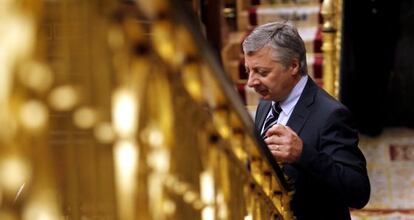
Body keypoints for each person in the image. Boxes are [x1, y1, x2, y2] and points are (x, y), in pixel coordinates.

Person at [242, 21, 370, 220]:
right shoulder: (267, 103)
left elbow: (358, 192)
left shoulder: (331, 115)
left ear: (293, 65)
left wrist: (303, 154)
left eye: (262, 72)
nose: (251, 82)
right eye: (248, 71)